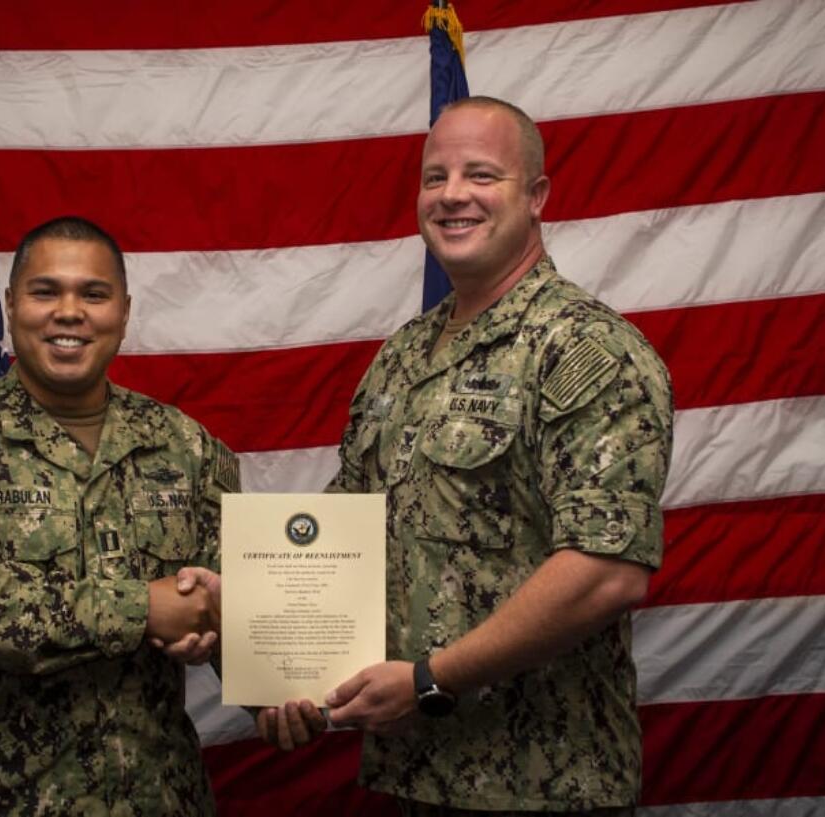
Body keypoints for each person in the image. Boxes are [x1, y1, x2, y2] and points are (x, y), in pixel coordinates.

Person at [254, 96, 674, 815]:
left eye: (481, 174)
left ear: (536, 196)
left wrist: (430, 678)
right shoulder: (403, 356)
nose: (452, 195)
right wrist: (261, 634)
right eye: (434, 176)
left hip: (542, 781)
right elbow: (339, 536)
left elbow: (606, 570)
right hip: (415, 771)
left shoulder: (585, 349)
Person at [0, 216, 239, 815]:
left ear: (123, 311)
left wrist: (276, 693)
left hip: (158, 796)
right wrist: (144, 608)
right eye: (46, 291)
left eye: (93, 295)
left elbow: (230, 593)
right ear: (11, 304)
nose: (69, 312)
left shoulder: (185, 446)